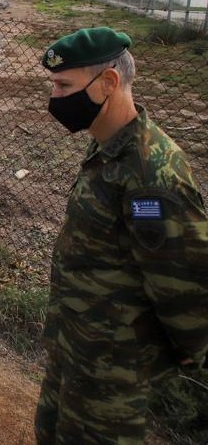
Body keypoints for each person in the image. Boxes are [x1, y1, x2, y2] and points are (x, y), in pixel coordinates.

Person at [36, 27, 208, 443]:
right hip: (76, 347)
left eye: (64, 86)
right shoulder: (107, 146)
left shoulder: (151, 172)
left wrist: (185, 362)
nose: (54, 98)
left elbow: (184, 285)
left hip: (113, 366)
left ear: (108, 83)